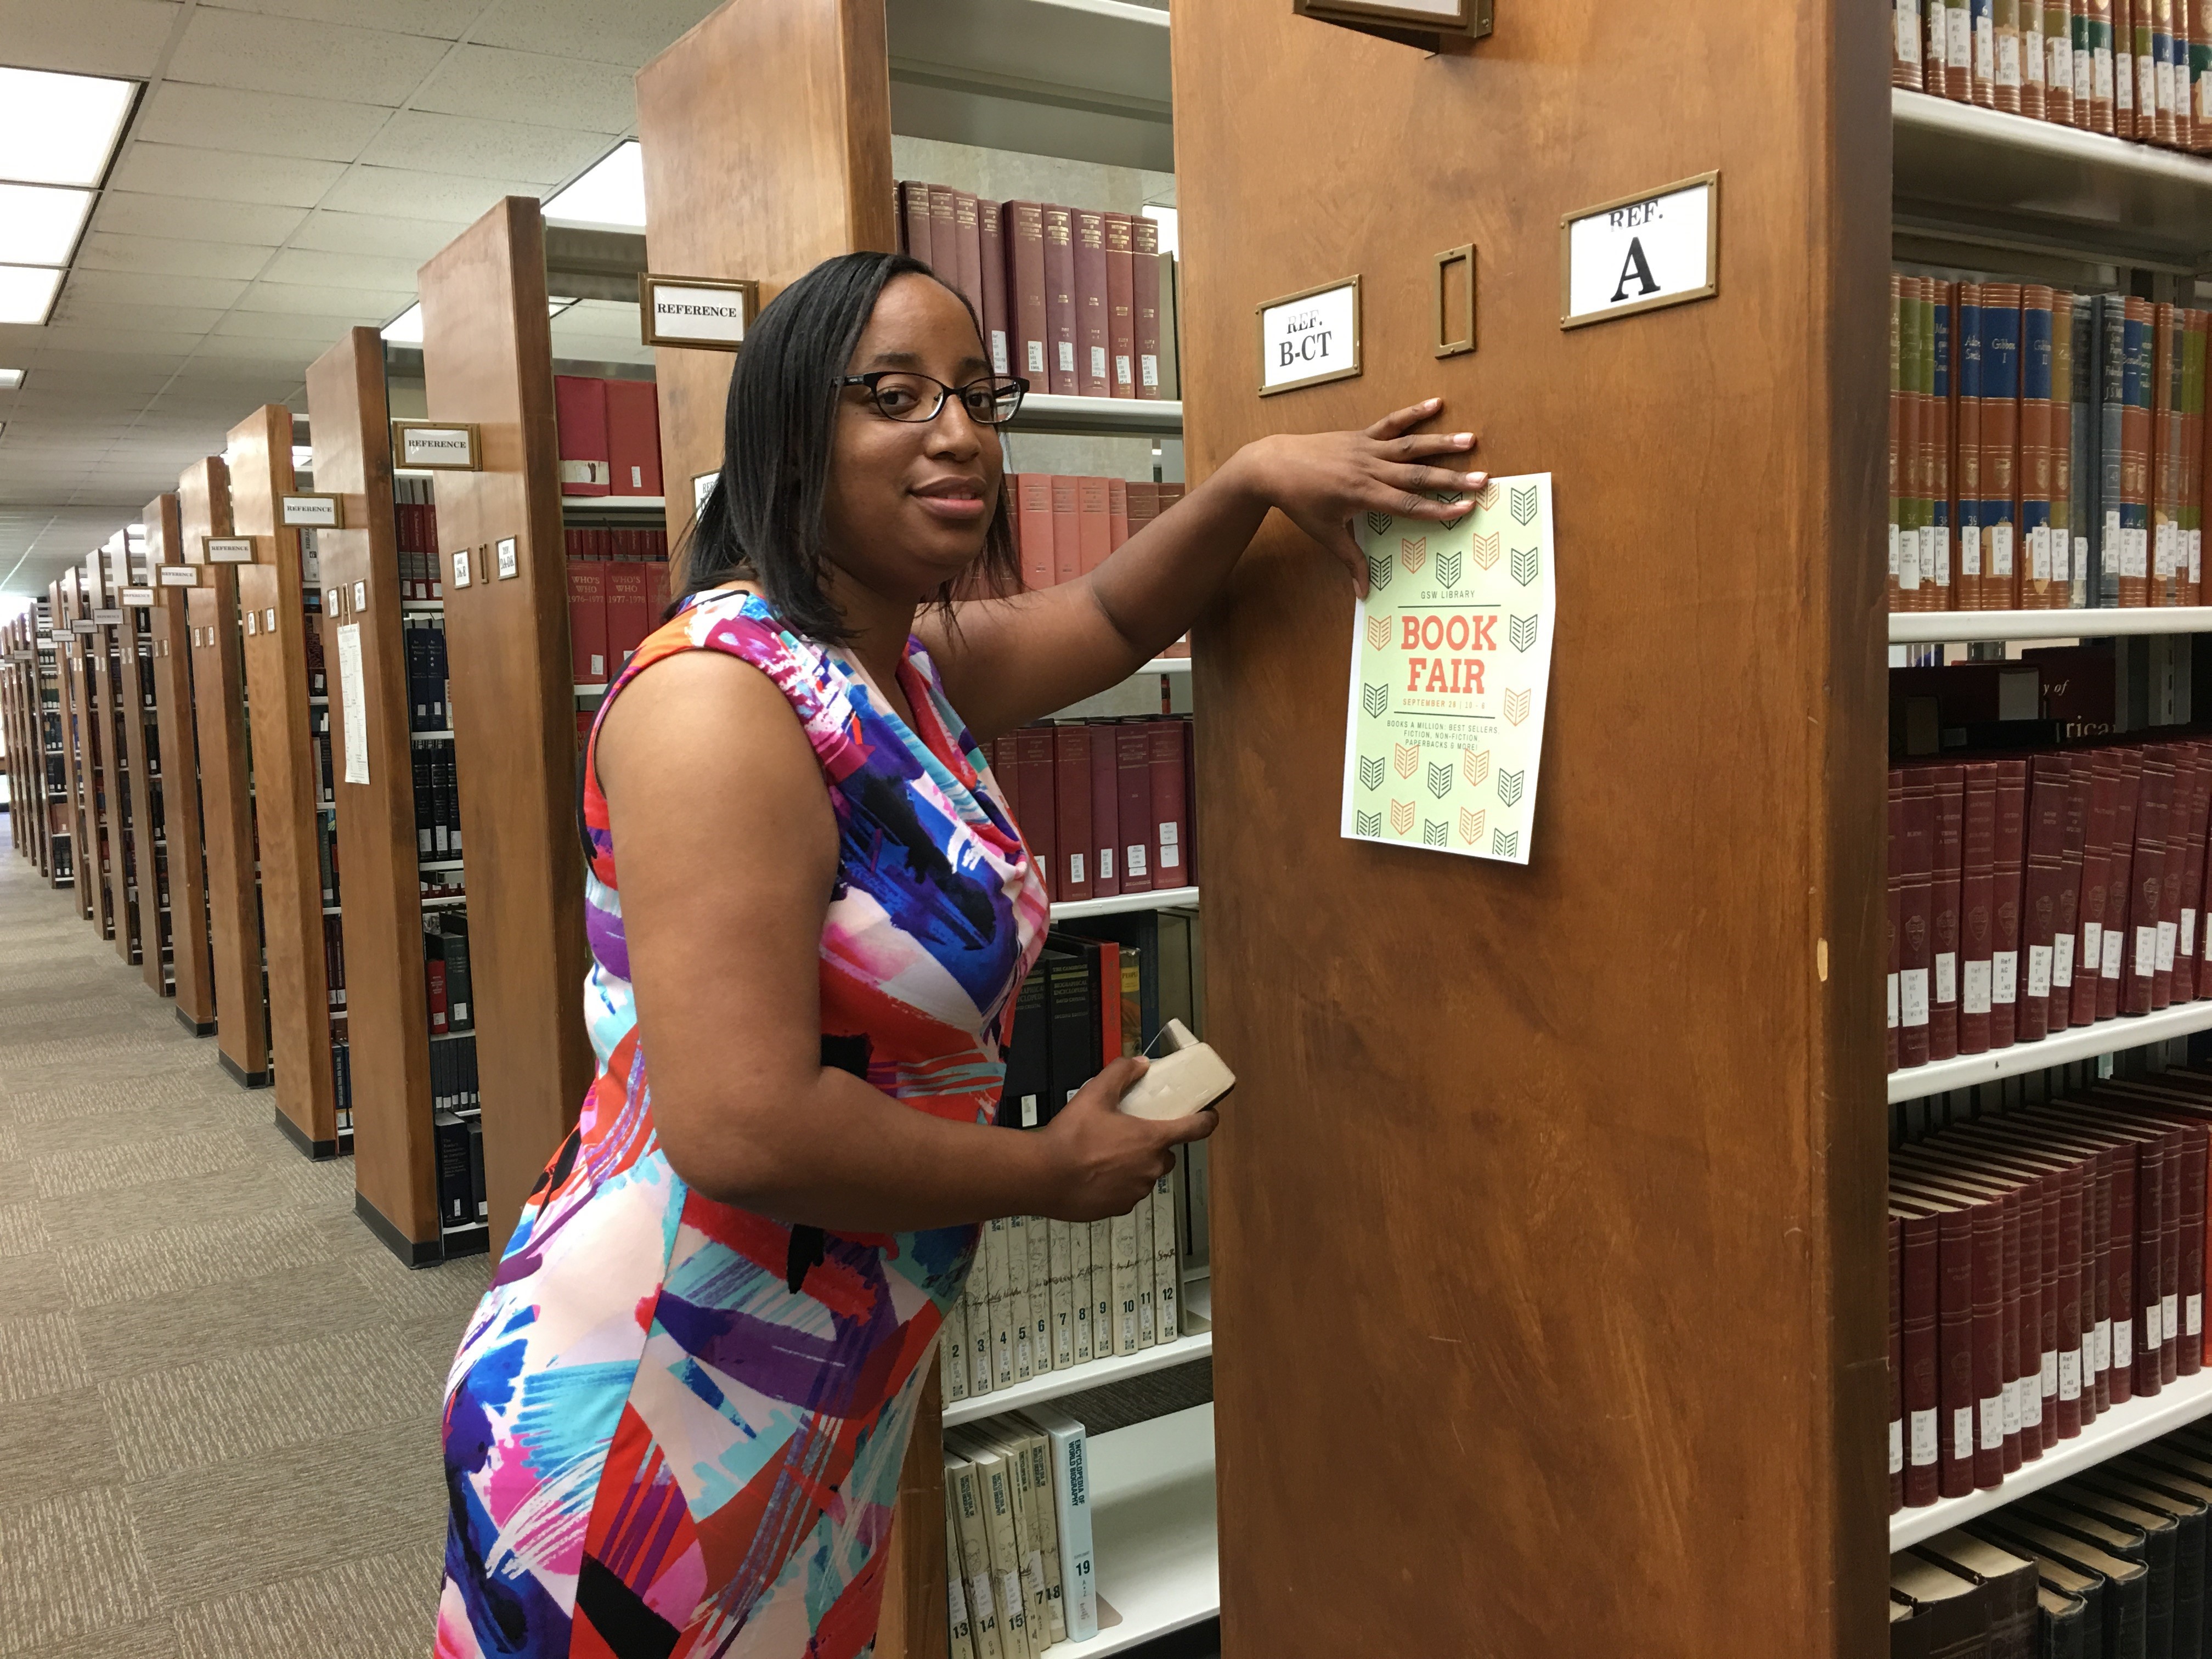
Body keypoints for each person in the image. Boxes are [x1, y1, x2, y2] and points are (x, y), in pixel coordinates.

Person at [434, 249, 1483, 1658]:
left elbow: (1112, 619)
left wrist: (1244, 482)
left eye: (981, 395)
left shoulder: (897, 672)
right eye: (896, 395)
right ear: (790, 432)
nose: (960, 433)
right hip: (649, 1386)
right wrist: (1047, 1174)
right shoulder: (718, 703)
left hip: (815, 1373)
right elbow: (741, 1125)